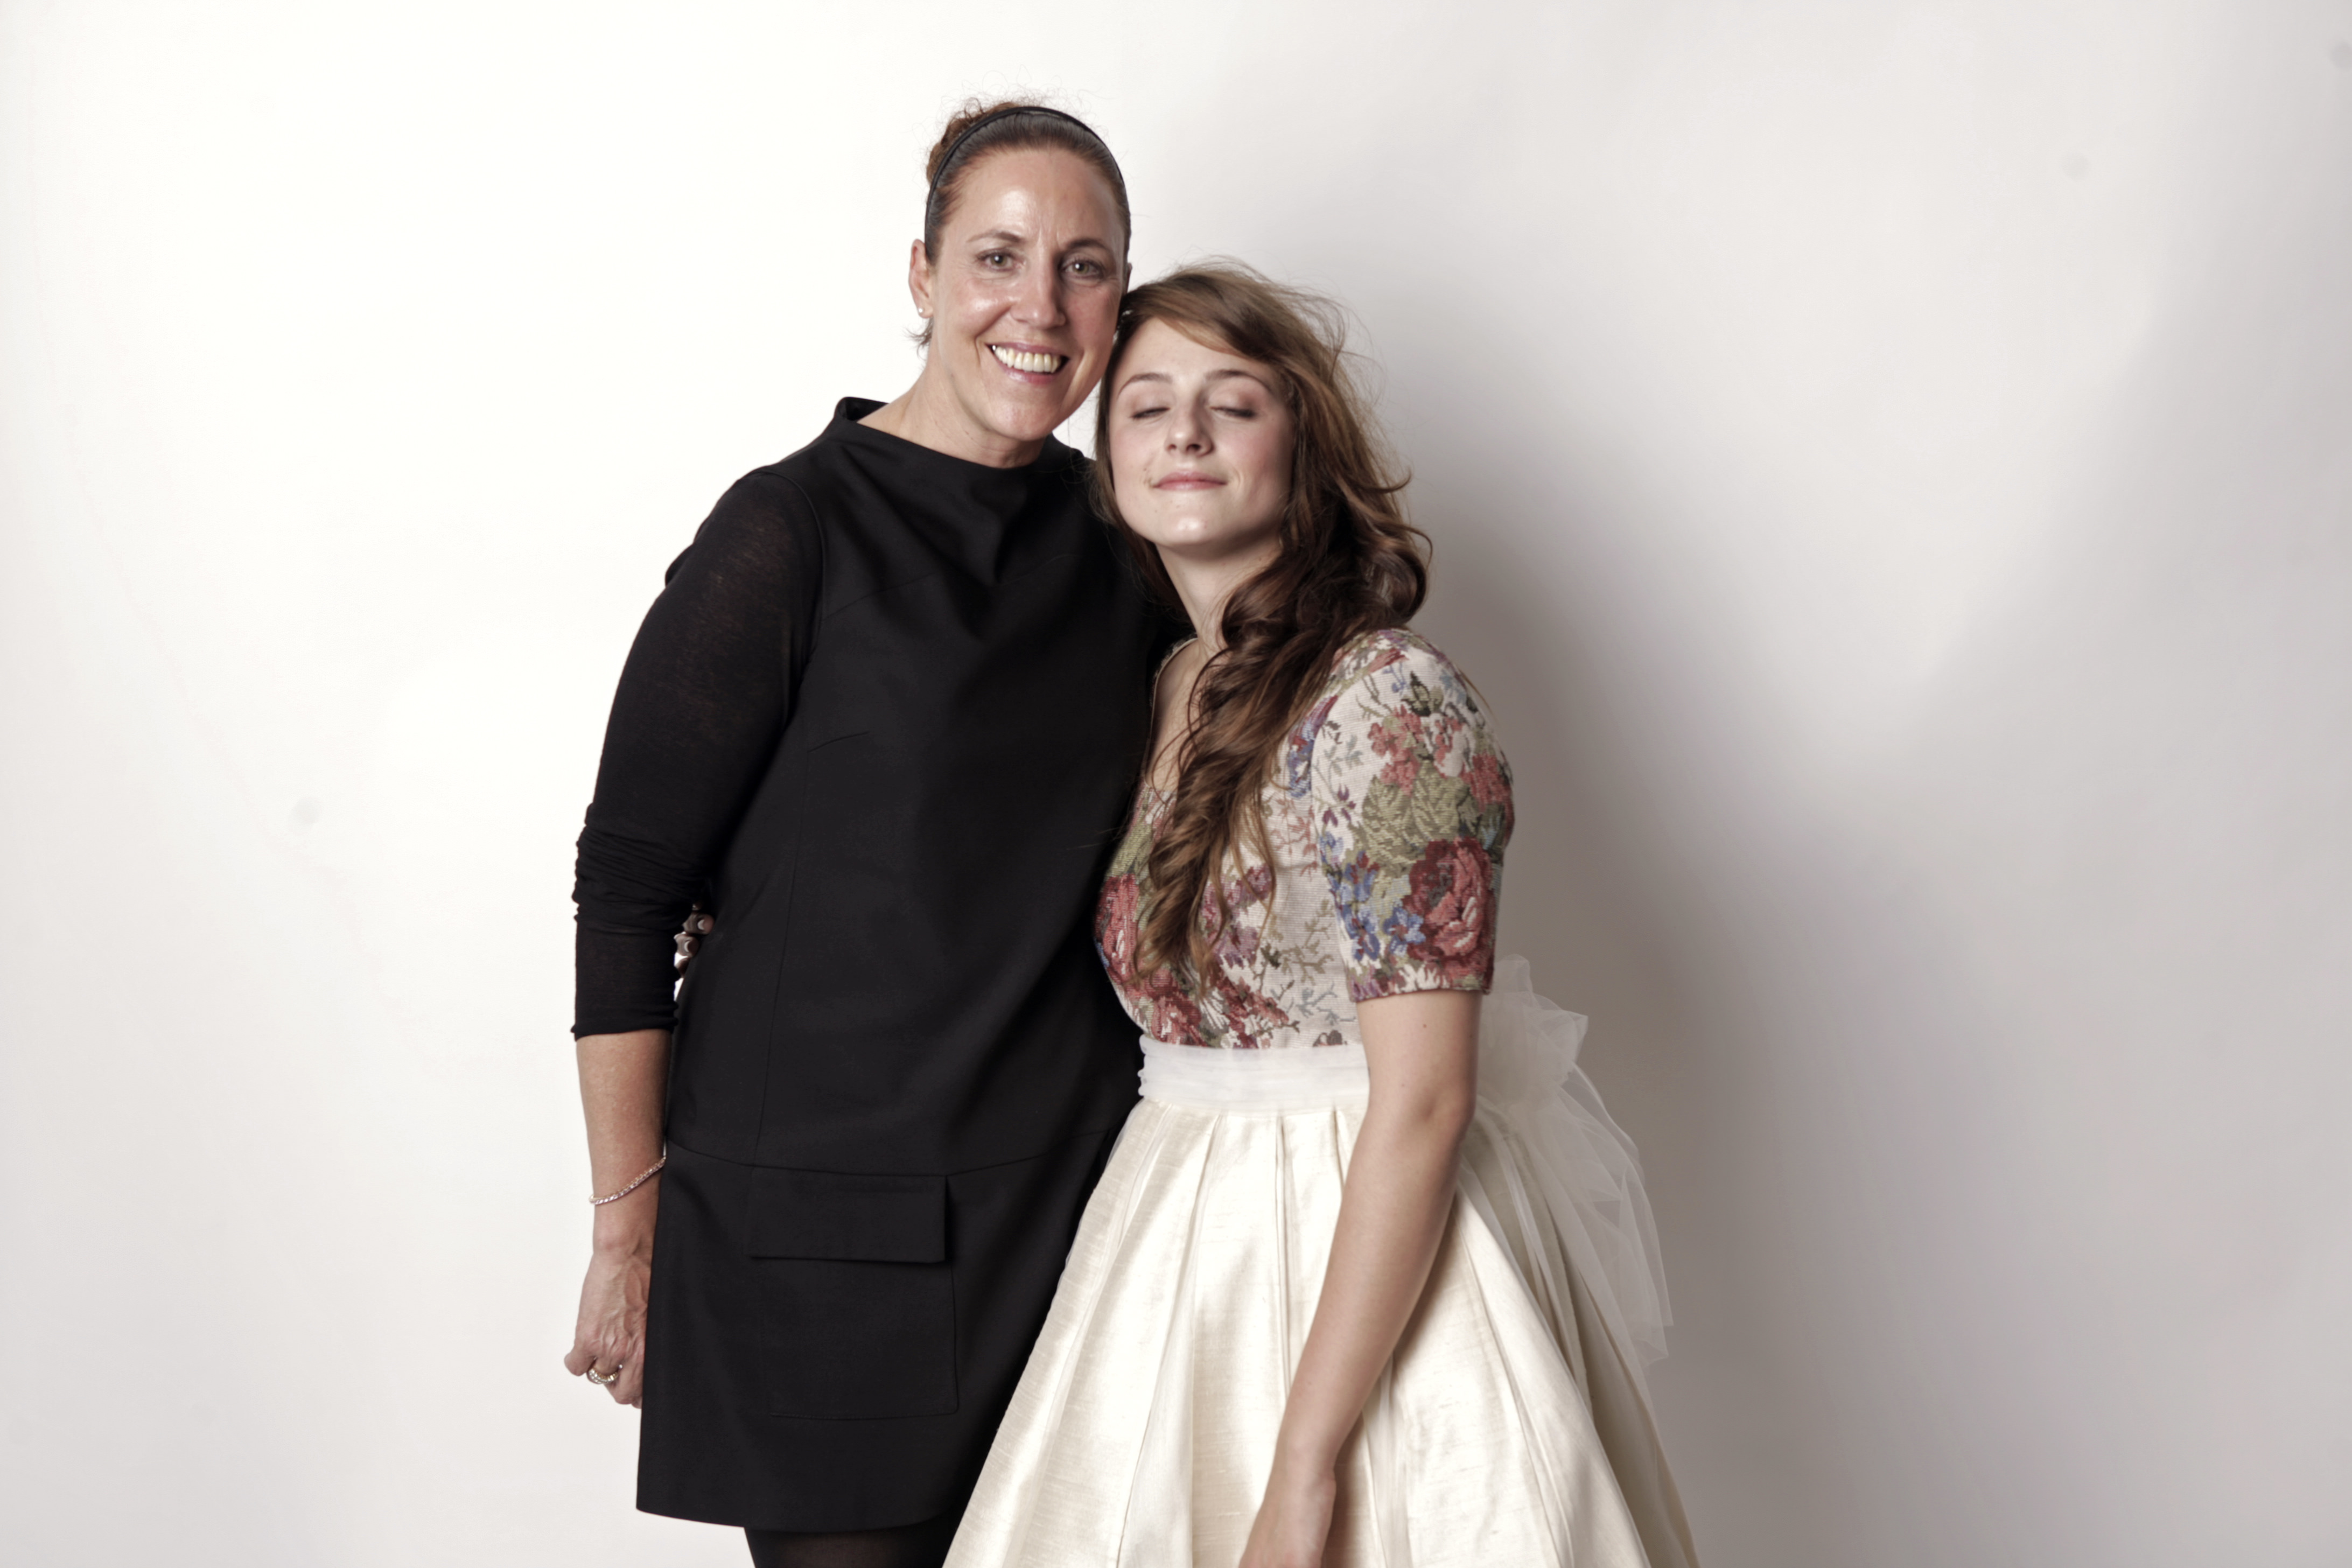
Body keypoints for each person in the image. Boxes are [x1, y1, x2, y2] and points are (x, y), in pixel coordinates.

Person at [943, 266, 1700, 1568]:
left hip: (1362, 1220)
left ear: (1304, 446)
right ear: (1108, 458)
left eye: (1231, 405)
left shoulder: (1389, 699)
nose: (1184, 434)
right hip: (1174, 1226)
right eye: (1147, 406)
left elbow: (1427, 1100)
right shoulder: (1170, 681)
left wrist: (1305, 1462)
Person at [562, 101, 1175, 1568]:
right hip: (821, 1262)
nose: (1040, 308)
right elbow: (629, 889)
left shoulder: (1133, 546)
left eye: (1085, 266)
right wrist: (627, 1233)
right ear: (922, 274)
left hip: (1083, 1231)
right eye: (999, 257)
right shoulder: (790, 534)